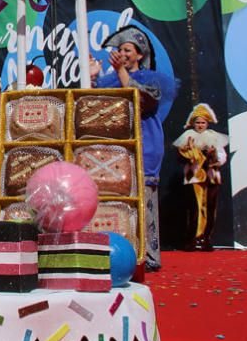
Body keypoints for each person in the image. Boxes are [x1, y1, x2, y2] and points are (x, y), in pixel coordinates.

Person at [90, 26, 178, 271]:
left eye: (127, 49)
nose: (122, 53)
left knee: (145, 201)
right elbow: (93, 113)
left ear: (140, 55)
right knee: (118, 204)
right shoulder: (110, 82)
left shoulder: (151, 80)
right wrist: (94, 78)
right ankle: (122, 250)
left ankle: (149, 256)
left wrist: (119, 70)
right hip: (114, 151)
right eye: (119, 50)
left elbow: (142, 100)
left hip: (144, 147)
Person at [173, 103, 229, 251]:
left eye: (203, 122)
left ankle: (206, 238)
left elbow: (223, 156)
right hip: (194, 176)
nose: (200, 125)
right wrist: (190, 156)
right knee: (195, 207)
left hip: (212, 176)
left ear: (207, 123)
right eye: (197, 122)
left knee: (210, 207)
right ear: (193, 123)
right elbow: (180, 156)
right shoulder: (187, 137)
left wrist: (214, 158)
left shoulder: (213, 136)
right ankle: (192, 238)